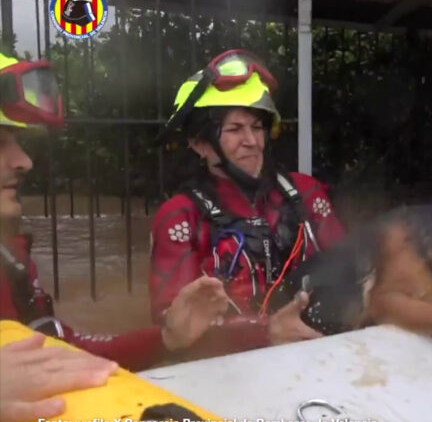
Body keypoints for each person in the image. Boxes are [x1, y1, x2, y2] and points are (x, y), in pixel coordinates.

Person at [0, 51, 230, 376]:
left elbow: (66, 351)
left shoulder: (10, 258)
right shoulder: (181, 212)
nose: (24, 161)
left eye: (17, 143)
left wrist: (168, 337)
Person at [149, 49, 347, 358]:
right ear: (200, 144)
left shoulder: (305, 193)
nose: (252, 141)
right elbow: (174, 328)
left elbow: (351, 268)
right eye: (234, 129)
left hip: (319, 352)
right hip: (230, 370)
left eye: (257, 128)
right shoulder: (180, 216)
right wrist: (264, 332)